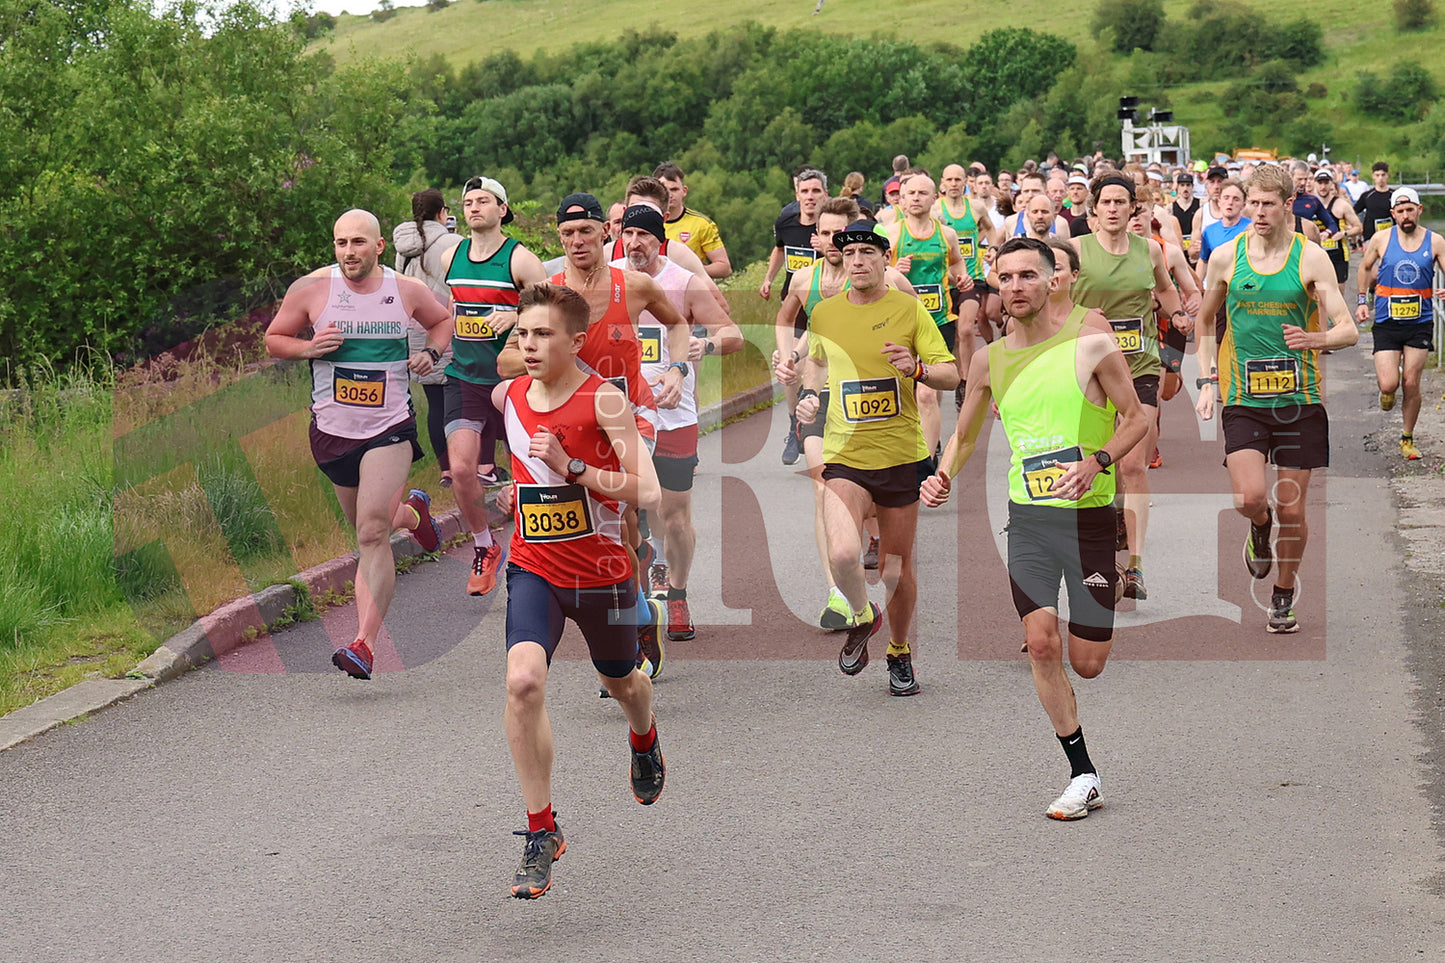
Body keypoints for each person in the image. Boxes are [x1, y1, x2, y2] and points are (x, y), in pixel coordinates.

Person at [921, 237, 1147, 820]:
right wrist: (942, 474)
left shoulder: (1091, 343)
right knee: (1042, 642)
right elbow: (966, 432)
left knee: (1089, 663)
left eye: (1027, 275)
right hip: (1028, 518)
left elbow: (1135, 418)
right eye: (1005, 277)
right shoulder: (988, 360)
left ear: (1054, 281)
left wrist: (1097, 461)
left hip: (1089, 517)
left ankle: (1109, 581)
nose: (1015, 286)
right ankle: (1083, 773)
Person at [491, 282, 665, 899]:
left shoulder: (604, 401)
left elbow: (648, 490)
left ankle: (643, 735)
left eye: (543, 334)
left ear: (575, 340)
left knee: (623, 683)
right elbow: (522, 472)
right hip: (534, 565)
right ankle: (542, 829)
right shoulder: (508, 396)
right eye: (523, 333)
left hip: (602, 575)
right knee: (523, 682)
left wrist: (575, 469)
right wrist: (512, 497)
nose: (530, 344)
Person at [264, 209, 454, 679]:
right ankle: (413, 516)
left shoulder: (405, 289)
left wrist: (431, 353)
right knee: (370, 524)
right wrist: (307, 348)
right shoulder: (311, 288)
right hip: (333, 432)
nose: (349, 252)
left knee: (371, 533)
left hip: (389, 427)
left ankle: (363, 644)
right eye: (341, 243)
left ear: (379, 246)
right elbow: (274, 339)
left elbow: (442, 321)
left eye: (358, 242)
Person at [782, 221, 959, 696]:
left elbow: (950, 374)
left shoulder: (908, 309)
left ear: (885, 259)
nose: (857, 260)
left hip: (900, 455)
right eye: (849, 253)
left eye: (867, 251)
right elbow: (818, 363)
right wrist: (810, 397)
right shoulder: (825, 313)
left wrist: (918, 368)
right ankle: (863, 615)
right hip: (846, 454)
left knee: (895, 570)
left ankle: (899, 650)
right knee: (843, 554)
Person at [1194, 165, 1359, 634]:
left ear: (1288, 205)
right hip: (1244, 397)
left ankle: (1283, 594)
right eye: (1253, 203)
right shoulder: (1226, 257)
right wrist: (1206, 381)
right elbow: (1205, 322)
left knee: (1293, 508)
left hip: (1298, 400)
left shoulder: (1311, 258)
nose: (1259, 212)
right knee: (1249, 497)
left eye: (1268, 204)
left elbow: (1348, 329)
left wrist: (1315, 339)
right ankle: (1258, 525)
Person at [774, 197, 916, 630]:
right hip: (825, 398)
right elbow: (795, 325)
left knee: (868, 502)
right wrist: (789, 358)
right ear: (816, 237)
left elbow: (915, 331)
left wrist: (916, 374)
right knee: (823, 488)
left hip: (876, 406)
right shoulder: (806, 279)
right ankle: (838, 590)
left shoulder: (892, 281)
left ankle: (869, 535)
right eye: (826, 234)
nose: (834, 242)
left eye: (842, 235)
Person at [612, 203, 743, 639]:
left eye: (643, 236)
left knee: (674, 516)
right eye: (628, 235)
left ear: (660, 240)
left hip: (673, 415)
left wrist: (705, 347)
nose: (634, 244)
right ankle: (636, 603)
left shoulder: (683, 282)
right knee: (623, 515)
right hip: (619, 416)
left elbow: (733, 334)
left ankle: (678, 593)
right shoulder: (608, 278)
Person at [1071, 174, 1191, 602]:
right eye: (1106, 202)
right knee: (1103, 461)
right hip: (1091, 370)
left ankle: (1136, 566)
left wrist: (1178, 315)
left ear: (1133, 209)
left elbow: (1166, 289)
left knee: (1134, 464)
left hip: (1140, 367)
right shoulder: (1075, 250)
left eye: (1121, 202)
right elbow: (1055, 298)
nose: (1113, 209)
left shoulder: (1150, 250)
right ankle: (1112, 524)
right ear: (1094, 209)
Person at [441, 176, 549, 596]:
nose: (473, 208)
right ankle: (484, 545)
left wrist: (516, 318)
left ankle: (534, 551)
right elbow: (453, 307)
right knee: (461, 469)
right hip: (464, 378)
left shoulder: (520, 260)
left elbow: (551, 315)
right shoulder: (451, 256)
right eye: (468, 202)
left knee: (529, 473)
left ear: (502, 209)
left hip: (514, 381)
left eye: (483, 201)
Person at [882, 173, 969, 456]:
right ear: (902, 200)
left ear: (934, 199)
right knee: (908, 389)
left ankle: (927, 462)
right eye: (911, 193)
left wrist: (961, 278)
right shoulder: (891, 234)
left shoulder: (947, 234)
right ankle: (921, 434)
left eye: (922, 193)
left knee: (929, 391)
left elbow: (956, 263)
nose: (916, 198)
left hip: (939, 319)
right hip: (901, 322)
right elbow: (877, 274)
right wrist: (894, 269)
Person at [1356, 187, 1445, 460]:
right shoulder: (1381, 239)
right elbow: (1364, 267)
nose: (1406, 216)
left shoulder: (1435, 241)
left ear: (1419, 210)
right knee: (1388, 383)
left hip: (1420, 322)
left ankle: (1407, 438)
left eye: (1410, 210)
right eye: (1401, 211)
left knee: (1411, 382)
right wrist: (1362, 301)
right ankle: (1387, 392)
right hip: (1387, 321)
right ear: (1393, 213)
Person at [393, 188, 463, 483]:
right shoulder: (455, 242)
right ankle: (466, 466)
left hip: (416, 331)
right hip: (450, 328)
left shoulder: (402, 247)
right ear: (442, 212)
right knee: (458, 404)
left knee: (435, 405)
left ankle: (446, 469)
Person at [762, 168, 830, 466]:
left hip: (825, 304)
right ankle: (794, 425)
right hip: (794, 304)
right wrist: (768, 277)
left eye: (816, 191)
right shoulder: (786, 222)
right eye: (805, 191)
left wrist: (826, 247)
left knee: (818, 365)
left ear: (825, 194)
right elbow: (779, 250)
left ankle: (823, 421)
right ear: (797, 195)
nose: (810, 197)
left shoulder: (830, 227)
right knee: (790, 365)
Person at [653, 161, 732, 279]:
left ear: (684, 191)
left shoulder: (702, 224)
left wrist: (691, 270)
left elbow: (724, 268)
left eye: (674, 189)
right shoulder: (644, 222)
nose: (669, 195)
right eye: (664, 190)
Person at [1354, 161, 1396, 245]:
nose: (1380, 178)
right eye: (1377, 175)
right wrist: (1358, 225)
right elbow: (1353, 212)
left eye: (1383, 175)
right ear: (1373, 176)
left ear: (1387, 176)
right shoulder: (1367, 196)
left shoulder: (1395, 195)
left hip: (1392, 237)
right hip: (1371, 238)